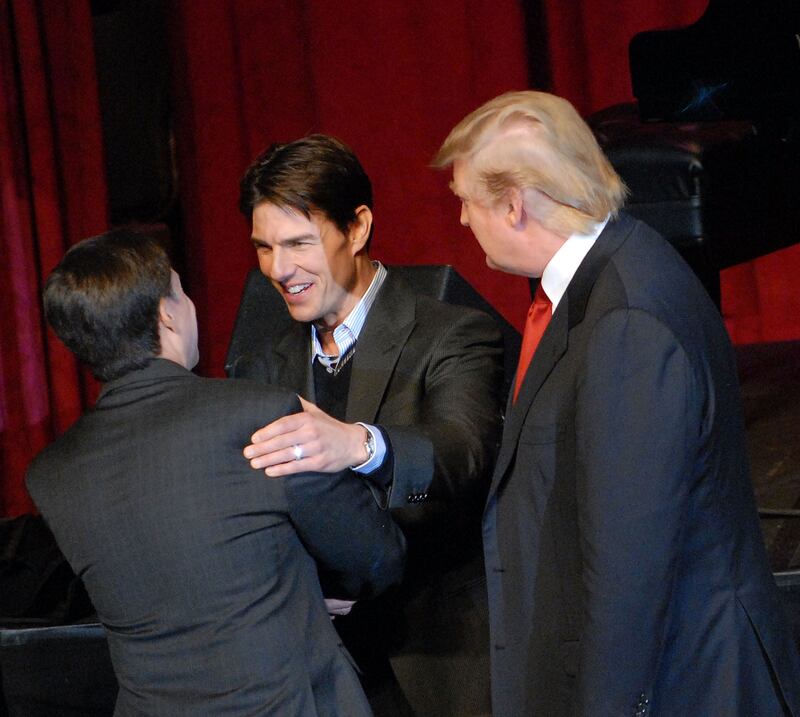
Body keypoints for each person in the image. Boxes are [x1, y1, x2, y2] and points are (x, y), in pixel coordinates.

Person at [433, 90, 800, 716]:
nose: (464, 220)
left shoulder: (626, 321)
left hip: (691, 684)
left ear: (515, 205)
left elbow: (629, 568)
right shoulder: (617, 267)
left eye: (467, 200)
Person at [26, 229, 406, 716]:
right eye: (181, 292)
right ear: (166, 313)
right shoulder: (258, 414)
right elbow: (376, 557)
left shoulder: (49, 474)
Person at [234, 134, 505, 716]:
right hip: (323, 671)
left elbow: (463, 454)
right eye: (264, 248)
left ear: (356, 229)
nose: (279, 270)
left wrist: (358, 444)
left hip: (437, 661)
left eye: (299, 243)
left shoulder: (451, 334)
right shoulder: (263, 364)